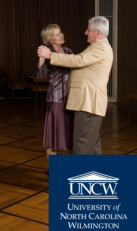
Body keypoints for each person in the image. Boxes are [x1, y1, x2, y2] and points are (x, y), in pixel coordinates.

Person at [37, 16, 113, 155]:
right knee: (91, 144)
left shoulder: (100, 48)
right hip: (80, 102)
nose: (85, 32)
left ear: (98, 32)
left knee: (82, 145)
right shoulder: (96, 47)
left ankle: (80, 175)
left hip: (88, 103)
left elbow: (79, 60)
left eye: (88, 30)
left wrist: (50, 56)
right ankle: (96, 174)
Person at [34, 24, 74, 171]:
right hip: (55, 100)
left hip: (71, 99)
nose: (62, 35)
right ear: (50, 39)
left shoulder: (69, 51)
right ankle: (53, 170)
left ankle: (73, 168)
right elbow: (39, 75)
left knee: (71, 135)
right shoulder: (47, 51)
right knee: (52, 137)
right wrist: (41, 58)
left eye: (61, 32)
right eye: (57, 34)